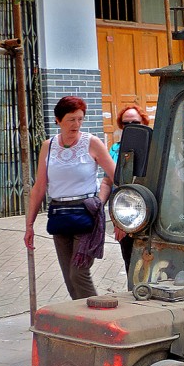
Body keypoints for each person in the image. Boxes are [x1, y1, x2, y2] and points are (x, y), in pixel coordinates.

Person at [24, 95, 115, 300]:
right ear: (58, 120)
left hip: (86, 213)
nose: (76, 124)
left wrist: (100, 201)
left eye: (80, 119)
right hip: (60, 215)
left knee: (79, 273)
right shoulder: (48, 146)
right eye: (71, 119)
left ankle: (97, 320)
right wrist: (29, 225)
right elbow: (39, 187)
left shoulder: (92, 143)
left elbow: (115, 176)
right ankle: (82, 322)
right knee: (69, 278)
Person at [109, 105, 150, 272]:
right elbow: (112, 182)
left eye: (135, 122)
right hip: (126, 214)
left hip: (148, 213)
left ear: (144, 122)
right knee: (130, 262)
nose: (131, 126)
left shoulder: (154, 145)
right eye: (126, 123)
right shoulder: (115, 149)